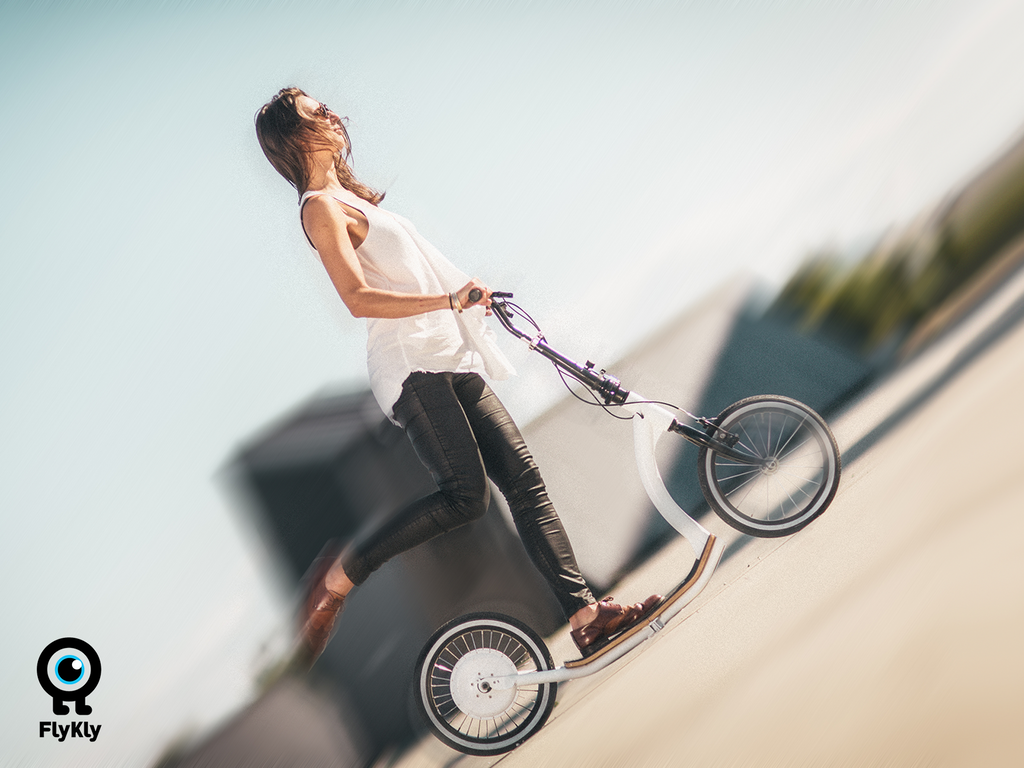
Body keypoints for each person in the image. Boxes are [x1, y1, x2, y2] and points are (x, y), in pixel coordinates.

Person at [255, 86, 660, 666]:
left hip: (449, 354)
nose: (333, 113)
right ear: (293, 137)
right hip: (411, 366)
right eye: (317, 112)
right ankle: (340, 576)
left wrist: (463, 304)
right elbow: (357, 298)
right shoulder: (320, 207)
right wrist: (447, 299)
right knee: (466, 496)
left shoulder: (353, 200)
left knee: (524, 480)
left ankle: (587, 618)